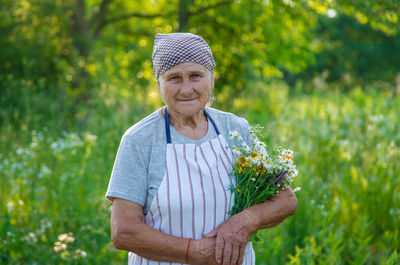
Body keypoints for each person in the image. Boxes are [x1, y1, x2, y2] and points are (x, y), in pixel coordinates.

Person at [106, 32, 297, 265]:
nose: (186, 89)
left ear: (212, 80)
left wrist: (245, 221)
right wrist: (193, 252)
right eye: (174, 78)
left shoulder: (234, 129)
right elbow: (123, 231)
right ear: (159, 85)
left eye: (195, 76)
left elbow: (286, 200)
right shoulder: (140, 140)